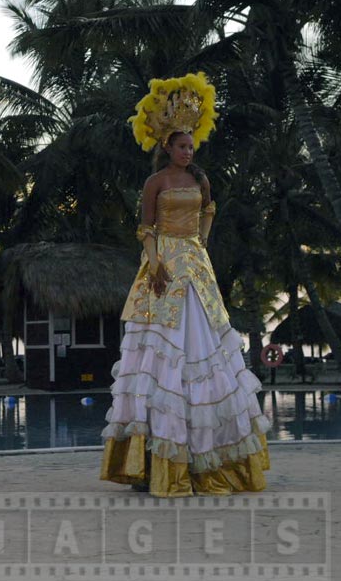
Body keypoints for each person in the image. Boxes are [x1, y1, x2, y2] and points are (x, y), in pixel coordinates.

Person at [100, 73, 270, 498]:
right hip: (164, 266)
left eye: (191, 146)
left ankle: (207, 456)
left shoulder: (199, 178)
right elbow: (144, 228)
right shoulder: (155, 183)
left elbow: (209, 209)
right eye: (182, 146)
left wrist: (202, 241)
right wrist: (155, 263)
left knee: (204, 345)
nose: (188, 151)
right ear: (166, 147)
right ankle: (156, 459)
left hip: (195, 263)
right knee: (161, 349)